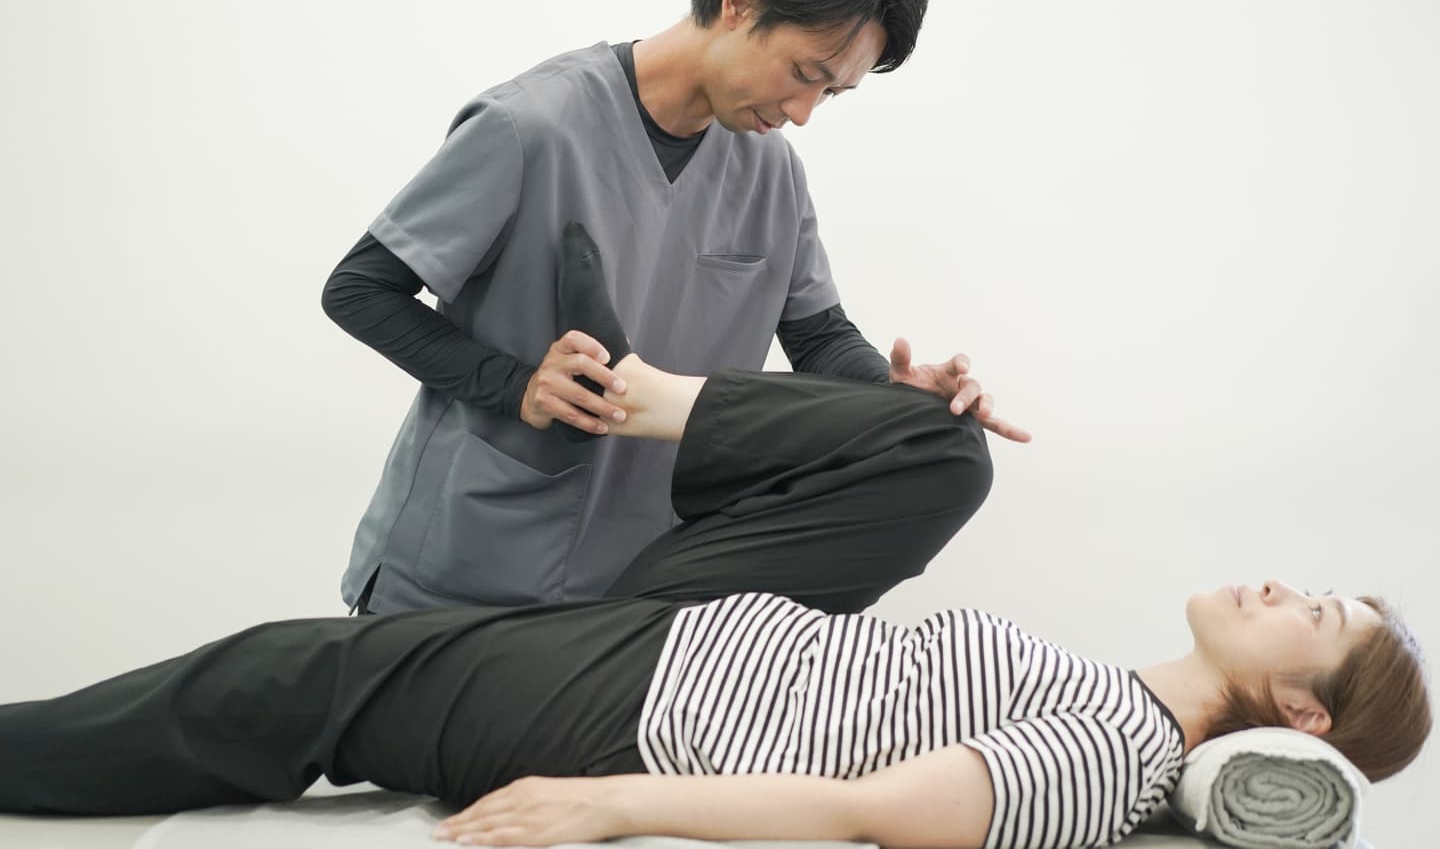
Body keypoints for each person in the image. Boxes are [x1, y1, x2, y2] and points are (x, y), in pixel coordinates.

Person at [1, 228, 1429, 849]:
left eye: (1310, 613)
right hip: (704, 624)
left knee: (293, 676)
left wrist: (607, 804)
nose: (1278, 584)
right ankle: (641, 390)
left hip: (649, 698)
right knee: (939, 439)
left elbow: (883, 815)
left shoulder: (1114, 752)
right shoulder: (1124, 714)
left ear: (1302, 710)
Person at [319, 0, 1028, 617]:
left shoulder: (772, 172)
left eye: (832, 94)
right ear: (740, 4)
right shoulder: (531, 127)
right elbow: (360, 288)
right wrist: (516, 385)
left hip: (639, 584)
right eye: (805, 73)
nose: (803, 113)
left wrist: (892, 393)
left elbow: (818, 336)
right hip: (462, 568)